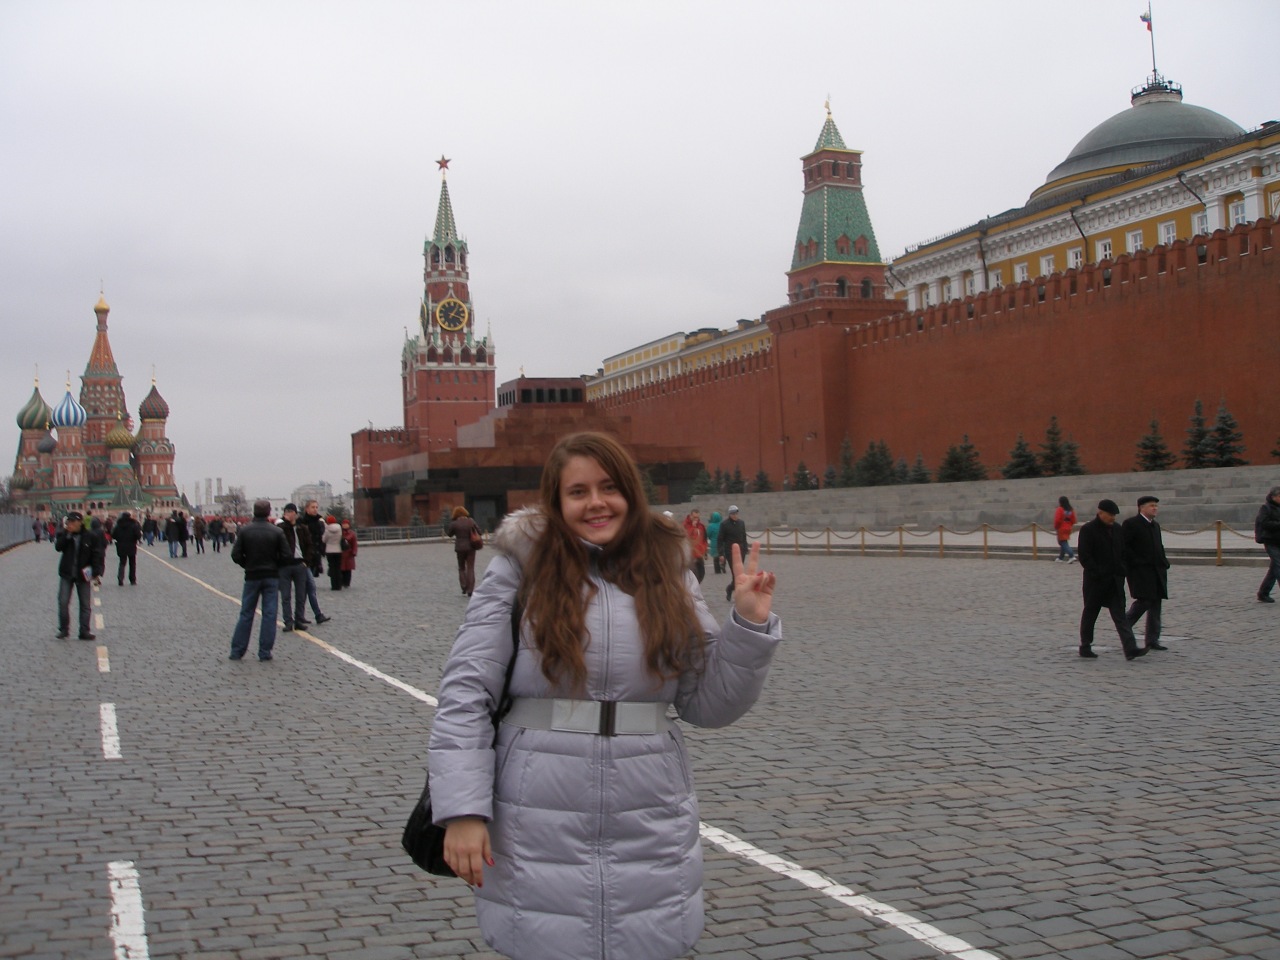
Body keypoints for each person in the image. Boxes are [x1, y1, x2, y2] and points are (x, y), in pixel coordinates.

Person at [429, 432, 782, 960]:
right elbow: (465, 694)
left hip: (650, 808)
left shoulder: (668, 572)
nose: (596, 502)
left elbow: (708, 703)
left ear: (630, 494)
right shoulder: (519, 568)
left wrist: (748, 627)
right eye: (578, 492)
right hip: (536, 810)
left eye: (609, 487)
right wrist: (462, 811)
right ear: (557, 502)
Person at [1076, 499, 1147, 661]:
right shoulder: (1088, 530)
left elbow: (1123, 552)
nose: (1113, 518)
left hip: (1115, 581)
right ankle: (1085, 645)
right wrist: (1098, 572)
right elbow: (1085, 556)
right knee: (1090, 613)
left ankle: (1130, 648)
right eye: (1110, 515)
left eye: (1114, 515)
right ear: (1100, 513)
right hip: (1096, 582)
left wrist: (1122, 570)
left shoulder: (1117, 529)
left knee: (1120, 616)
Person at [229, 499, 291, 661]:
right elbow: (286, 555)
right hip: (271, 576)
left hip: (252, 576)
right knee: (269, 614)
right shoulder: (276, 532)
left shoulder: (245, 531)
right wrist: (275, 565)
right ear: (269, 512)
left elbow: (235, 555)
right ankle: (265, 651)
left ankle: (237, 650)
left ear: (254, 512)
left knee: (246, 613)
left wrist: (247, 564)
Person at [1122, 496, 1170, 651]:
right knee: (1144, 601)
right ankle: (1124, 625)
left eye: (1156, 505)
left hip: (1156, 571)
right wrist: (1137, 562)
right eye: (1151, 505)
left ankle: (1152, 639)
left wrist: (1164, 562)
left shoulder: (1155, 525)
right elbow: (1124, 547)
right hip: (1140, 572)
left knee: (1156, 604)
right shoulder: (1131, 524)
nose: (1155, 508)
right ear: (1141, 508)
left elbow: (1159, 546)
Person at [55, 511, 105, 640]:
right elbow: (58, 547)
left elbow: (96, 554)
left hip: (83, 574)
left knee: (85, 604)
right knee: (63, 601)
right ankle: (64, 629)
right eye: (69, 522)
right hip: (67, 573)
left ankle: (84, 630)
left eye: (73, 521)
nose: (70, 524)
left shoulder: (90, 536)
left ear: (80, 522)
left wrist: (96, 572)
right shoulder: (65, 534)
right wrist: (67, 535)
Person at [277, 503, 325, 631]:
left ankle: (299, 619)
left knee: (300, 594)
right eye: (286, 511)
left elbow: (309, 545)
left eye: (291, 511)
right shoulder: (280, 528)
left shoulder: (302, 528)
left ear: (295, 513)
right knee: (286, 596)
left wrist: (306, 562)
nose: (288, 514)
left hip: (299, 564)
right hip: (284, 565)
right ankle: (288, 621)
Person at [1253, 485, 1280, 603]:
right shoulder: (1266, 508)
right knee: (1278, 565)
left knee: (1274, 568)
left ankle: (1263, 593)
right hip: (1270, 541)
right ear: (1273, 497)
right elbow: (1264, 523)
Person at [447, 506, 480, 596]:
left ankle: (464, 586)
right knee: (470, 568)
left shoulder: (454, 523)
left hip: (460, 548)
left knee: (461, 567)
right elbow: (479, 532)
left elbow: (449, 534)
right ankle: (470, 590)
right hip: (471, 547)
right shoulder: (471, 521)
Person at [718, 505, 749, 602]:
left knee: (740, 573)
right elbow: (720, 539)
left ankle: (730, 588)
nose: (735, 515)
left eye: (736, 513)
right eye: (733, 514)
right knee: (736, 573)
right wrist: (721, 553)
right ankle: (738, 593)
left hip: (741, 551)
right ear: (730, 514)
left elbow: (744, 536)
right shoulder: (724, 524)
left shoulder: (741, 523)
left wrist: (745, 548)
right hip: (730, 552)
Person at [110, 511, 142, 586]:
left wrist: (119, 539)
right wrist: (135, 538)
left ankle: (120, 579)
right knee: (132, 563)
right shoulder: (134, 525)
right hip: (131, 545)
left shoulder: (118, 525)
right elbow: (138, 535)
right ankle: (132, 579)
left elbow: (113, 535)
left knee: (122, 563)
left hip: (121, 546)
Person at [683, 508, 709, 582]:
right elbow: (686, 537)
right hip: (690, 555)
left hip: (699, 554)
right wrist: (693, 527)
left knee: (701, 573)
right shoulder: (685, 525)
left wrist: (705, 551)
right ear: (690, 516)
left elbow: (704, 539)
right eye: (694, 517)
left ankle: (696, 585)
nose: (696, 519)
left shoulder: (701, 526)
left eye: (697, 517)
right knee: (692, 574)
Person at [322, 515, 344, 590]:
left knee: (332, 568)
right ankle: (339, 585)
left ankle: (334, 585)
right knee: (338, 568)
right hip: (338, 549)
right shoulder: (339, 528)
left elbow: (324, 540)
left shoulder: (327, 529)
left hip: (329, 550)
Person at [1053, 496, 1077, 563]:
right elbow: (1073, 520)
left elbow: (1057, 520)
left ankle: (1071, 555)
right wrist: (1069, 525)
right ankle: (1061, 557)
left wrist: (1056, 527)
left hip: (1061, 527)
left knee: (1062, 542)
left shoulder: (1060, 509)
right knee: (1064, 541)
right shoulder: (1070, 510)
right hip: (1068, 527)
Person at [339, 518, 358, 588]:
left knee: (348, 570)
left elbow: (354, 544)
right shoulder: (339, 533)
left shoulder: (352, 534)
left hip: (349, 554)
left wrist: (354, 552)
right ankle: (341, 582)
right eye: (344, 524)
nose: (345, 525)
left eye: (346, 524)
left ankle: (347, 583)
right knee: (341, 569)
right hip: (341, 553)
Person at [706, 510, 723, 574]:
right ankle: (723, 564)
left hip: (714, 543)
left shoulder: (711, 526)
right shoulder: (722, 525)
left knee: (716, 558)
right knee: (722, 555)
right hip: (722, 543)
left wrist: (711, 538)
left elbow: (708, 534)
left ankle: (717, 570)